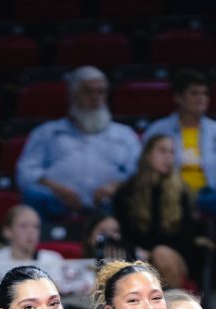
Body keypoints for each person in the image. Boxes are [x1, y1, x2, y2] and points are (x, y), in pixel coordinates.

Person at [143, 69, 216, 295]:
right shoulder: (159, 130)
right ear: (179, 97)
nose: (201, 98)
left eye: (205, 94)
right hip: (169, 193)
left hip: (206, 194)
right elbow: (143, 165)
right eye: (194, 93)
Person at [16, 66, 141, 220]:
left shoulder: (125, 134)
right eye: (88, 91)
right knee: (33, 193)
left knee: (133, 194)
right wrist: (58, 189)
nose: (95, 97)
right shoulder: (47, 132)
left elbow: (139, 171)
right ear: (73, 94)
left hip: (109, 205)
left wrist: (114, 187)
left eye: (101, 91)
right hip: (56, 202)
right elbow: (25, 172)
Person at [113, 135, 199, 291]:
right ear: (147, 155)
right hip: (137, 255)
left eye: (172, 153)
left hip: (176, 256)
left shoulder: (181, 191)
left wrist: (154, 253)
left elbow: (188, 237)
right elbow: (123, 233)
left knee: (162, 255)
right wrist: (139, 251)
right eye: (162, 151)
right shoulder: (127, 192)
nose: (168, 157)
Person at [0, 205, 64, 295]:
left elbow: (56, 293)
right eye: (23, 226)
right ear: (7, 231)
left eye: (36, 226)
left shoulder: (52, 259)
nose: (31, 231)